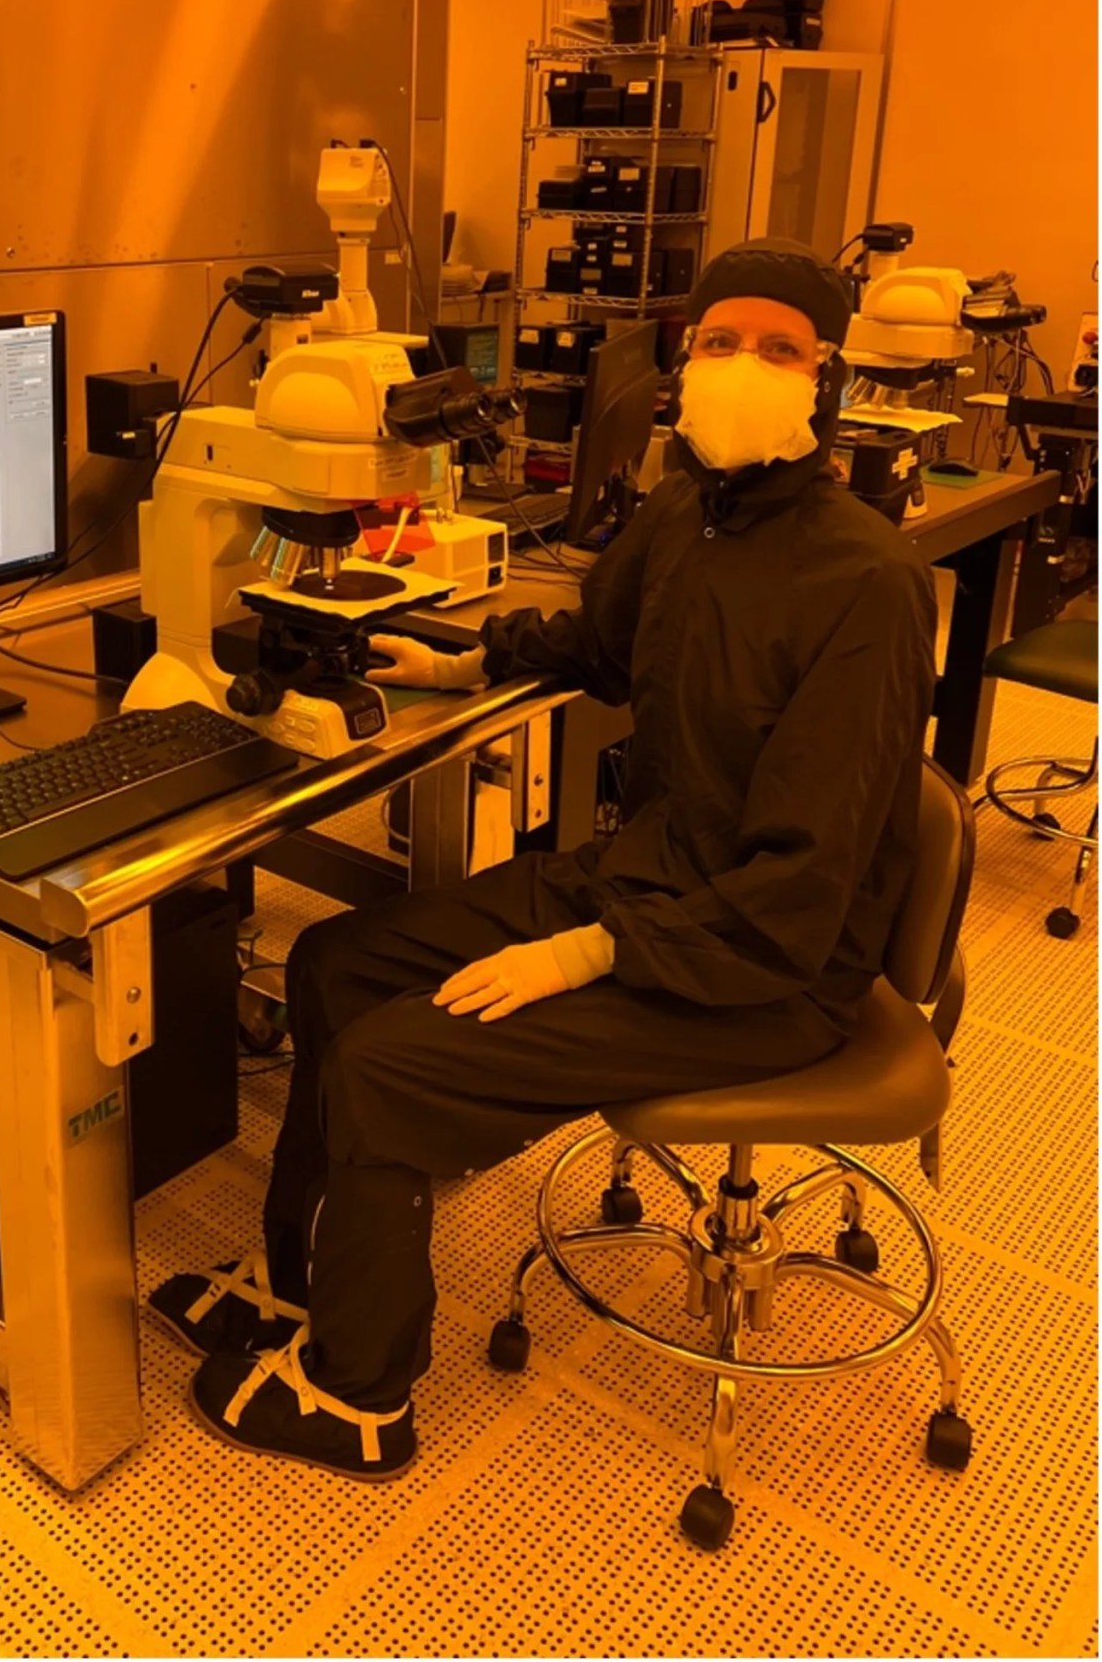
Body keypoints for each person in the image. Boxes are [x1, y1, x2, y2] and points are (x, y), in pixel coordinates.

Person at [149, 237, 937, 1481]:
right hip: (654, 876)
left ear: (823, 376)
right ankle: (301, 1279)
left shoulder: (870, 583)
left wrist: (579, 953)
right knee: (339, 964)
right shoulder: (689, 512)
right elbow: (607, 645)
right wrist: (461, 659)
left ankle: (361, 1395)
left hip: (759, 965)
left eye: (777, 349)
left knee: (394, 1061)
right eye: (719, 342)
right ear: (682, 361)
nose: (741, 368)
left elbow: (799, 887)